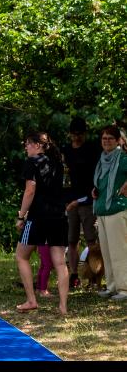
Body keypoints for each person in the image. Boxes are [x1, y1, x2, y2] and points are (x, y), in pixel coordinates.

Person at [15, 132, 69, 315]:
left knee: (21, 256)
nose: (26, 147)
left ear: (38, 145)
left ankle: (31, 300)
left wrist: (21, 216)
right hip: (59, 215)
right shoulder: (57, 162)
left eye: (28, 144)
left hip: (38, 216)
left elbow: (30, 190)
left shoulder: (32, 162)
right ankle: (63, 306)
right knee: (60, 263)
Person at [62, 117, 101, 289]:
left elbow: (97, 178)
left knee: (91, 240)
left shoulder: (93, 149)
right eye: (74, 134)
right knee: (71, 241)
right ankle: (74, 275)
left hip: (87, 201)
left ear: (85, 134)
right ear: (70, 134)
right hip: (69, 201)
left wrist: (82, 199)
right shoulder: (65, 151)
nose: (77, 137)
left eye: (80, 134)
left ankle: (94, 275)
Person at [93, 125, 127, 301]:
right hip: (102, 209)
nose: (106, 141)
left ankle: (124, 288)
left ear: (118, 140)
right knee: (106, 251)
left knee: (119, 251)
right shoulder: (103, 159)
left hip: (117, 209)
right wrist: (96, 190)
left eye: (110, 138)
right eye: (104, 138)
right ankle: (112, 286)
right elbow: (103, 182)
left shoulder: (122, 158)